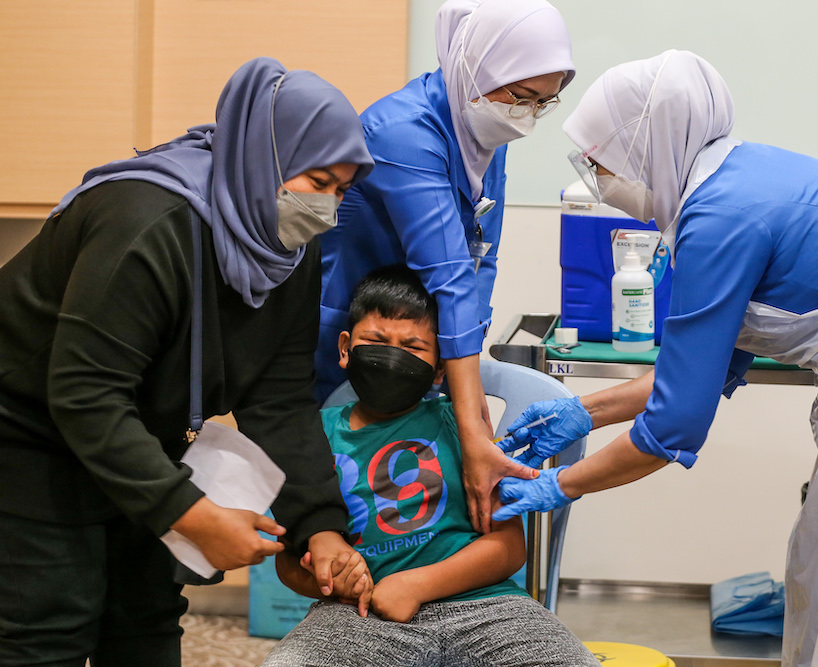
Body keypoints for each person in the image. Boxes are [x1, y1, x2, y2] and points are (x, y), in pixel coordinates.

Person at [492, 50, 818, 667]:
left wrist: (559, 485)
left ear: (645, 148)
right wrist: (580, 412)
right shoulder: (726, 185)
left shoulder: (718, 217)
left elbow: (673, 428)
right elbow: (695, 373)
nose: (596, 178)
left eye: (601, 161)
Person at [0, 57, 376, 665]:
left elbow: (279, 400)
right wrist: (190, 514)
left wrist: (320, 526)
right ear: (267, 159)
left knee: (145, 613)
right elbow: (86, 393)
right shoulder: (147, 222)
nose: (327, 209)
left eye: (342, 191)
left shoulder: (286, 250)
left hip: (139, 431)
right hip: (26, 432)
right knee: (49, 621)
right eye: (318, 182)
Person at [314, 0, 576, 533]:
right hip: (362, 339)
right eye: (521, 97)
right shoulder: (402, 132)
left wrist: (458, 377)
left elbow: (483, 257)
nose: (526, 116)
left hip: (428, 349)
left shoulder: (483, 132)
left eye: (543, 104)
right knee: (357, 507)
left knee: (429, 511)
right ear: (477, 67)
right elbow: (450, 275)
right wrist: (471, 412)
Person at [262, 265, 599, 667]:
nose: (392, 355)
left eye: (413, 346)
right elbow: (287, 561)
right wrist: (330, 581)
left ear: (441, 367)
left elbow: (509, 546)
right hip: (357, 614)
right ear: (345, 347)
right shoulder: (312, 439)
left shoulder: (464, 428)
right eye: (376, 340)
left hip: (489, 608)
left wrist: (415, 585)